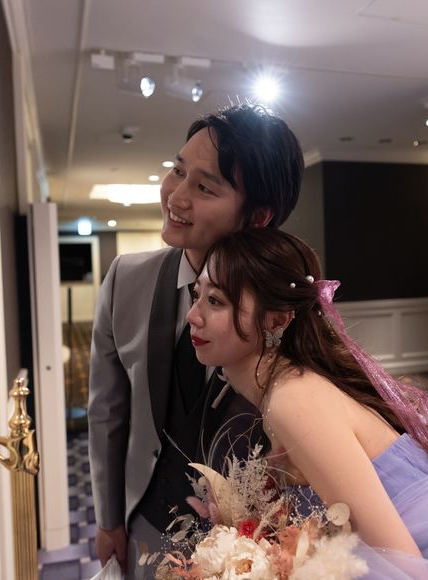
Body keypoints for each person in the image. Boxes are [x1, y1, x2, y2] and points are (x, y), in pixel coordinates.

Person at [186, 227, 428, 579]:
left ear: (276, 320)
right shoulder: (283, 389)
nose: (193, 315)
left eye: (215, 301)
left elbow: (407, 568)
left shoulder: (293, 400)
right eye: (196, 295)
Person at [88, 104, 304, 578]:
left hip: (248, 546)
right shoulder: (126, 278)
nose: (176, 196)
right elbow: (107, 410)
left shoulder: (286, 307)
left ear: (258, 216)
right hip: (143, 520)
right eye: (177, 170)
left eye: (204, 187)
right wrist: (108, 519)